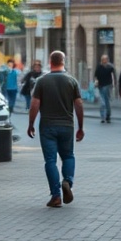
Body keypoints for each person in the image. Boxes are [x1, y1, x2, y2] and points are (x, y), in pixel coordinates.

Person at [26, 50, 85, 208]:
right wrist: (81, 126)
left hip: (47, 126)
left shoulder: (42, 81)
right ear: (63, 62)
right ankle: (67, 181)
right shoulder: (71, 81)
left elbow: (34, 104)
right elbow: (79, 104)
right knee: (68, 156)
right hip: (67, 126)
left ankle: (56, 196)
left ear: (50, 62)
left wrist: (31, 124)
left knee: (50, 161)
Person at [94, 54, 116, 124]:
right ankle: (103, 117)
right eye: (103, 59)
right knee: (103, 103)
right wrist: (96, 82)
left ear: (107, 60)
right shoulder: (99, 67)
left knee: (107, 102)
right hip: (100, 86)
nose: (104, 61)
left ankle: (108, 116)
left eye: (105, 59)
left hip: (108, 86)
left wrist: (114, 84)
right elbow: (96, 76)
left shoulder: (110, 67)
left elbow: (114, 76)